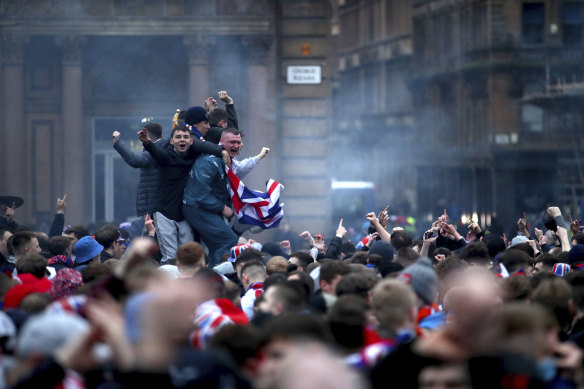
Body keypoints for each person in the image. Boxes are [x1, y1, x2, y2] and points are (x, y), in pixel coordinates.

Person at [138, 124, 229, 263]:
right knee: (171, 257)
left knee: (187, 255)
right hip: (164, 212)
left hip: (185, 213)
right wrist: (147, 142)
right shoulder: (166, 156)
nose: (182, 140)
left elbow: (206, 145)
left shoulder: (194, 154)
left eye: (186, 137)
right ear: (171, 141)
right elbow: (157, 153)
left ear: (191, 141)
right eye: (178, 137)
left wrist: (222, 150)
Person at [182, 129, 241, 267]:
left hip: (203, 207)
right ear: (221, 142)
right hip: (196, 207)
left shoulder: (224, 160)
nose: (236, 145)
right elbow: (200, 194)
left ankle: (215, 274)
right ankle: (218, 277)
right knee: (228, 240)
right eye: (232, 142)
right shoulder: (209, 162)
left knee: (218, 245)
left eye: (238, 142)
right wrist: (222, 208)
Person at [112, 122, 164, 217]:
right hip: (157, 204)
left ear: (146, 134)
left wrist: (117, 143)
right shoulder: (162, 147)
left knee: (151, 231)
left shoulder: (155, 149)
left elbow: (135, 160)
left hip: (154, 206)